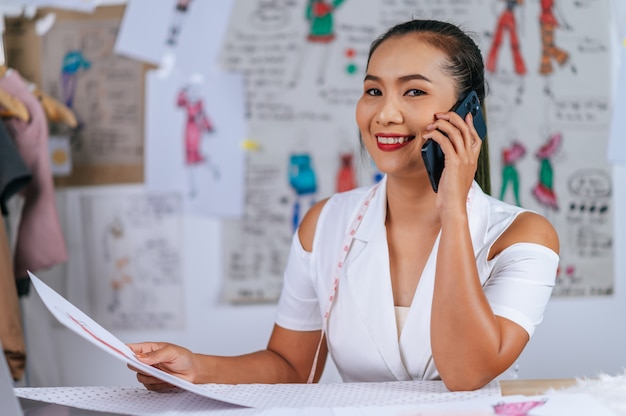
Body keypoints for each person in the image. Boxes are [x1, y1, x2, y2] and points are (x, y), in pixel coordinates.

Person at [128, 19, 559, 392]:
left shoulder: (522, 236)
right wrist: (194, 369)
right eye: (373, 90)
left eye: (413, 92)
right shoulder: (326, 224)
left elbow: (466, 373)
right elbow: (294, 367)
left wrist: (453, 209)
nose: (385, 114)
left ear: (468, 114)